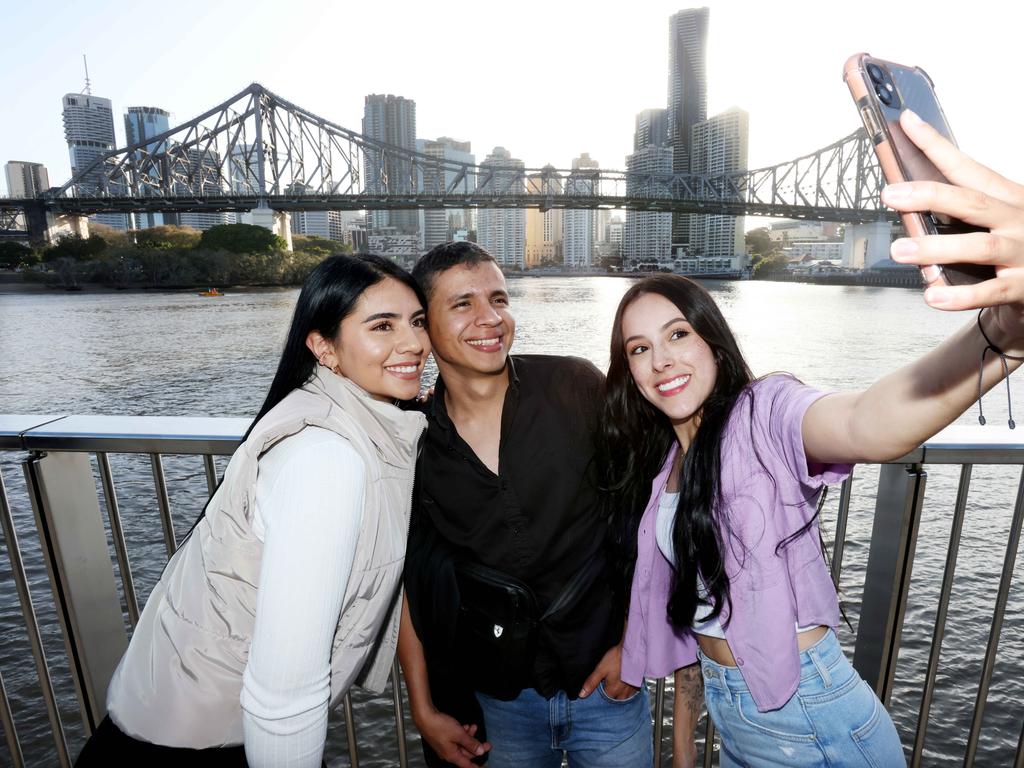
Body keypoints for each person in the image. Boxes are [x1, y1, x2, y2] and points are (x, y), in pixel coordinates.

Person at [606, 108, 1024, 768]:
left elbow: (866, 424)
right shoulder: (666, 470)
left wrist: (1002, 334)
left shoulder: (763, 412)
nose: (662, 360)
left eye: (678, 334)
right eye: (639, 348)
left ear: (713, 342)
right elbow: (695, 615)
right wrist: (682, 755)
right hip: (739, 711)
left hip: (810, 713)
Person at [76, 254, 430, 767]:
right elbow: (283, 696)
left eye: (417, 321)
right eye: (383, 325)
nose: (414, 343)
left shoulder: (332, 417)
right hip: (198, 745)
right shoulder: (326, 458)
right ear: (323, 348)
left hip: (180, 725)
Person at [399, 242, 653, 768]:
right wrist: (423, 708)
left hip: (606, 684)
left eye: (499, 298)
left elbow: (643, 516)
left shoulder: (575, 386)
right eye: (463, 304)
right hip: (497, 704)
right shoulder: (412, 438)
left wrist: (634, 646)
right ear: (424, 327)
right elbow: (405, 581)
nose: (490, 318)